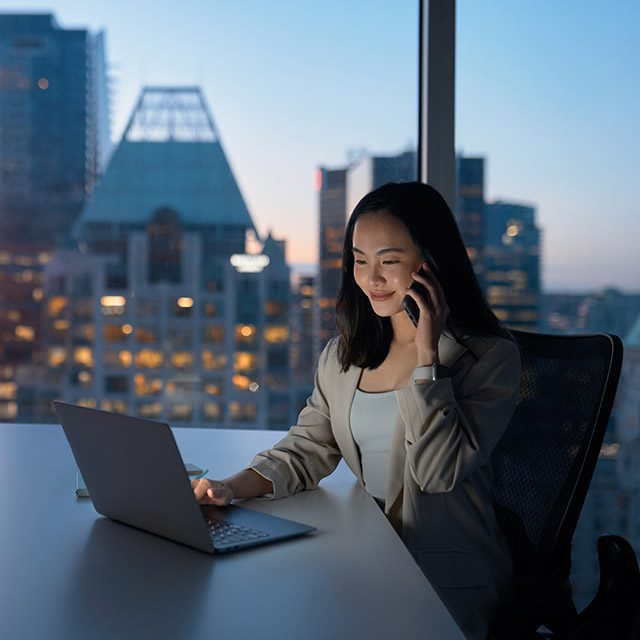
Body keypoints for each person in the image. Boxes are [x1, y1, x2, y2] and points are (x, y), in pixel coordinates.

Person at [193, 182, 521, 640]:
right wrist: (229, 487)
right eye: (359, 260)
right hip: (365, 551)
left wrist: (427, 357)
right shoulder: (344, 356)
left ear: (432, 263)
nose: (371, 279)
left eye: (388, 261)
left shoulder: (488, 359)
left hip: (443, 575)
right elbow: (306, 449)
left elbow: (435, 472)